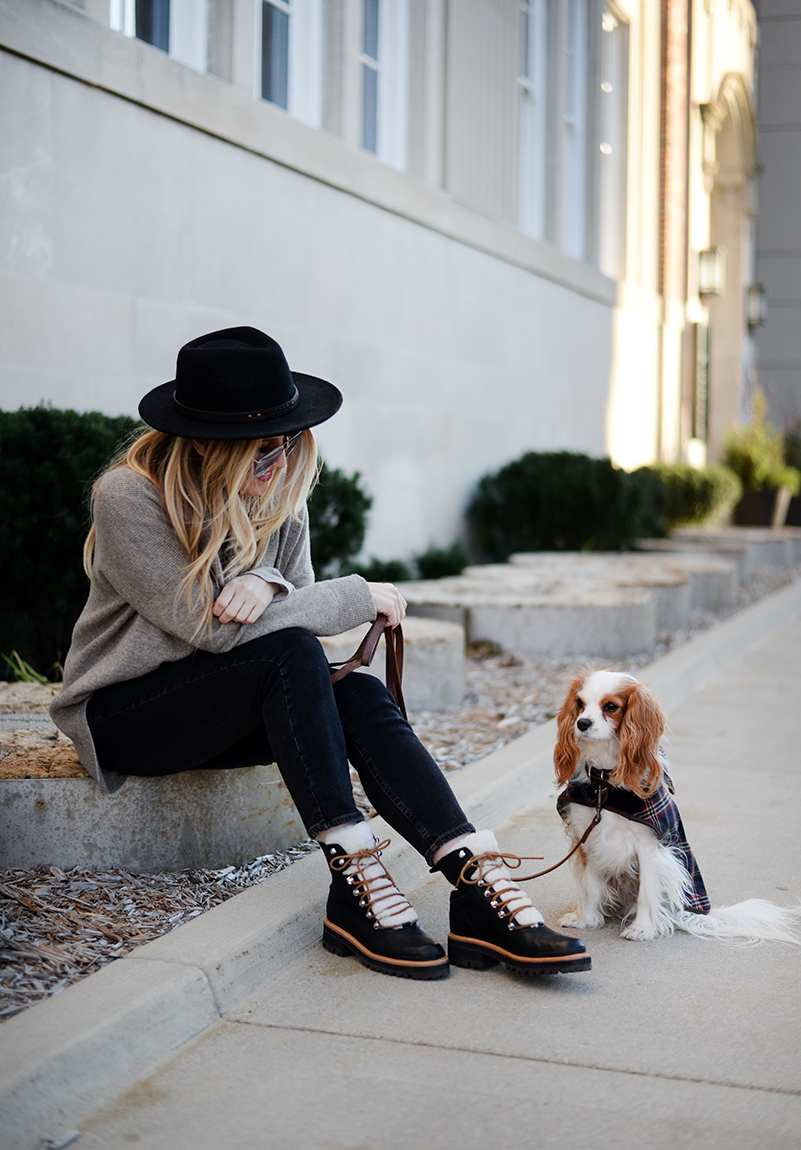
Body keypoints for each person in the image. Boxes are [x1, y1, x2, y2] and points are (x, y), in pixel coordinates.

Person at [51, 326, 590, 981]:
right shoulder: (128, 497)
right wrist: (356, 595)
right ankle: (356, 872)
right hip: (129, 712)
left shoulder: (282, 488)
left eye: (284, 441)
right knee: (290, 655)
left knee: (355, 689)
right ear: (201, 446)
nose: (276, 462)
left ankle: (472, 880)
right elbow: (212, 629)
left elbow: (291, 609)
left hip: (227, 700)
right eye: (257, 451)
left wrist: (268, 579)